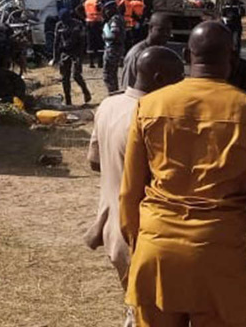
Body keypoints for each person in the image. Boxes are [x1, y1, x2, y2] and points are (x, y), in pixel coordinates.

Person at [120, 21, 246, 327]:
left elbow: (130, 193)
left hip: (156, 252)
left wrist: (138, 251)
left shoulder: (148, 106)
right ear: (234, 59)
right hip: (218, 258)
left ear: (186, 55)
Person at [85, 46, 186, 327]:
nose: (181, 84)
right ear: (157, 77)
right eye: (177, 77)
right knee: (146, 316)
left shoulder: (109, 105)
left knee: (136, 309)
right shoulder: (154, 117)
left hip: (112, 230)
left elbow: (95, 162)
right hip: (141, 237)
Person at [120, 12, 174, 90]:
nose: (165, 34)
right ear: (150, 28)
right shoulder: (137, 54)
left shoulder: (164, 53)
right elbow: (128, 86)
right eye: (161, 30)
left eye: (168, 30)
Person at [51, 9, 92, 106]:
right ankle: (68, 100)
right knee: (65, 78)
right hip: (64, 54)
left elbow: (83, 40)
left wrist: (82, 55)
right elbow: (56, 42)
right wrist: (55, 57)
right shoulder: (59, 25)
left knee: (76, 75)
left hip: (76, 53)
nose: (65, 21)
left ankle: (85, 92)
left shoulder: (78, 24)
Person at [103, 1, 127, 95]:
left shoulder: (115, 20)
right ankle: (114, 93)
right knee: (112, 74)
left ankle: (113, 94)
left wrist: (104, 37)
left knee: (108, 75)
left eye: (107, 10)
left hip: (113, 49)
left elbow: (115, 35)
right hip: (115, 48)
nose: (106, 12)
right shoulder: (118, 18)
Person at [84, 0, 105, 68]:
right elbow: (100, 9)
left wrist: (85, 18)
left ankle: (91, 63)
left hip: (89, 22)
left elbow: (78, 9)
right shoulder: (97, 1)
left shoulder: (86, 2)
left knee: (90, 42)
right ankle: (100, 63)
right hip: (97, 23)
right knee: (99, 42)